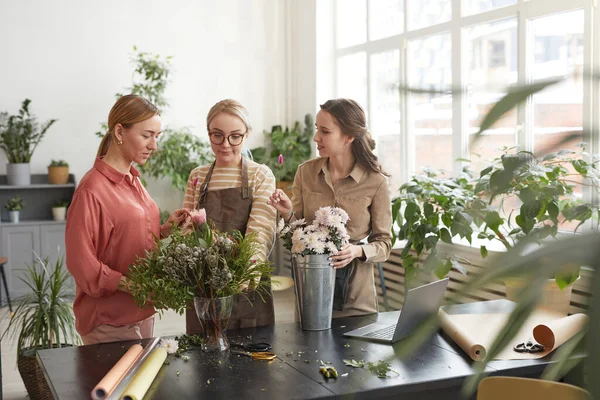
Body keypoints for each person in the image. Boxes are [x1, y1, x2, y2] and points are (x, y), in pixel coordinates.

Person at [65, 94, 189, 344]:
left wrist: (164, 230)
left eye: (157, 136)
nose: (154, 145)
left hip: (142, 313)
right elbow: (81, 264)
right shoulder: (91, 191)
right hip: (110, 320)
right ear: (120, 132)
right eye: (147, 135)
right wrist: (133, 287)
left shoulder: (133, 178)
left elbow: (125, 234)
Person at [268, 98, 392, 317]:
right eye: (317, 129)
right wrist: (287, 212)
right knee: (310, 350)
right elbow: (297, 231)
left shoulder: (376, 182)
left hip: (357, 296)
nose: (316, 137)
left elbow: (384, 243)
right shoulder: (305, 173)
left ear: (349, 137)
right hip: (312, 290)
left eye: (325, 131)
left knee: (356, 351)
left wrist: (357, 251)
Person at [182, 99, 277, 333]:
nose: (225, 144)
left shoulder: (260, 175)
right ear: (208, 133)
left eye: (235, 136)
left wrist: (245, 274)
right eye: (217, 135)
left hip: (247, 282)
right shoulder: (198, 176)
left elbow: (261, 230)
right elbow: (186, 230)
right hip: (204, 285)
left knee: (252, 359)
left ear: (246, 135)